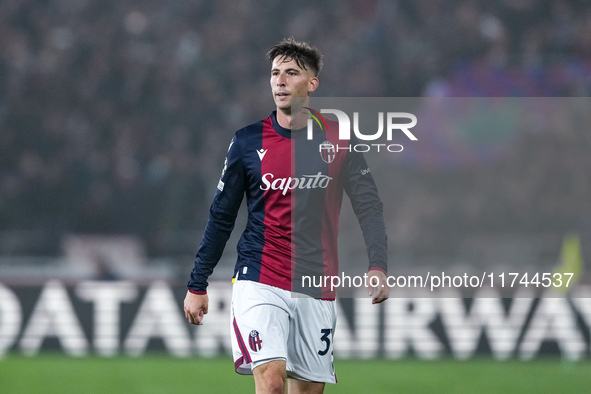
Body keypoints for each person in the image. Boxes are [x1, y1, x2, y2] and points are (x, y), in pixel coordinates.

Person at [184, 37, 389, 394]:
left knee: (307, 390)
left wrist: (378, 264)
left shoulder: (340, 140)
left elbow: (369, 206)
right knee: (274, 384)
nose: (279, 80)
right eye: (275, 73)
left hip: (316, 281)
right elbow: (221, 216)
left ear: (312, 84)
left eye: (291, 73)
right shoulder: (248, 142)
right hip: (259, 276)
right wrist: (197, 282)